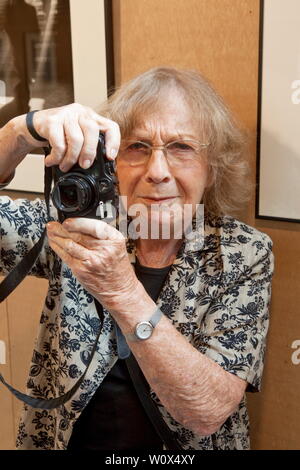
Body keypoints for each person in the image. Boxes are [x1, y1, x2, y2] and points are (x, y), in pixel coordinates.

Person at [0, 67, 274, 450]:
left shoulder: (240, 252)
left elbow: (209, 412)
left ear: (212, 169)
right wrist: (17, 132)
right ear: (110, 163)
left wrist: (122, 291)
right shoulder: (78, 226)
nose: (157, 172)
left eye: (182, 148)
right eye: (137, 147)